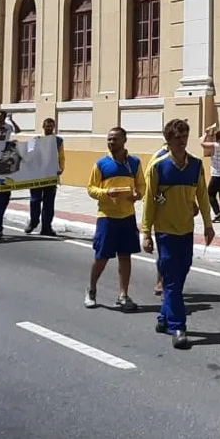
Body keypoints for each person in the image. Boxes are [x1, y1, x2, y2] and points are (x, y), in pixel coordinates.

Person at [142, 119, 215, 349]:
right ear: (169, 140)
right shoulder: (158, 166)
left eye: (185, 136)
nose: (182, 141)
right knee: (172, 281)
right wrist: (145, 231)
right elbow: (149, 202)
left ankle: (164, 318)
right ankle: (178, 326)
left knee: (180, 277)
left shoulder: (194, 165)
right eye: (177, 138)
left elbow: (202, 196)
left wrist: (208, 224)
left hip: (186, 230)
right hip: (164, 232)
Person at [84, 127, 145, 310]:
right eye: (109, 139)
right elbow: (91, 188)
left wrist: (138, 194)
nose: (111, 142)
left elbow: (141, 184)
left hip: (127, 216)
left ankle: (123, 295)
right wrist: (105, 192)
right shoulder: (101, 164)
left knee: (125, 256)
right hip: (107, 217)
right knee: (101, 257)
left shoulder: (134, 163)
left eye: (115, 139)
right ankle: (91, 289)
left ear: (124, 141)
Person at [25, 118, 64, 236]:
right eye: (47, 126)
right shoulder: (35, 140)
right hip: (37, 175)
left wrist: (61, 168)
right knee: (35, 200)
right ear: (43, 127)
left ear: (54, 127)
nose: (49, 128)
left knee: (49, 202)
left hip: (51, 175)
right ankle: (33, 222)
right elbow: (27, 154)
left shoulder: (58, 141)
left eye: (51, 126)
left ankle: (46, 227)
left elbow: (61, 156)